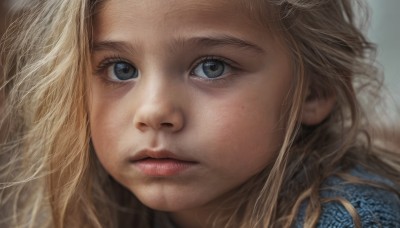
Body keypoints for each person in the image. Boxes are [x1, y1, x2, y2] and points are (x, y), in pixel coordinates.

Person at [1, 0, 399, 227]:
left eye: (212, 66)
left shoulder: (356, 219)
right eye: (121, 69)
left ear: (317, 86)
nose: (154, 111)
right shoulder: (103, 210)